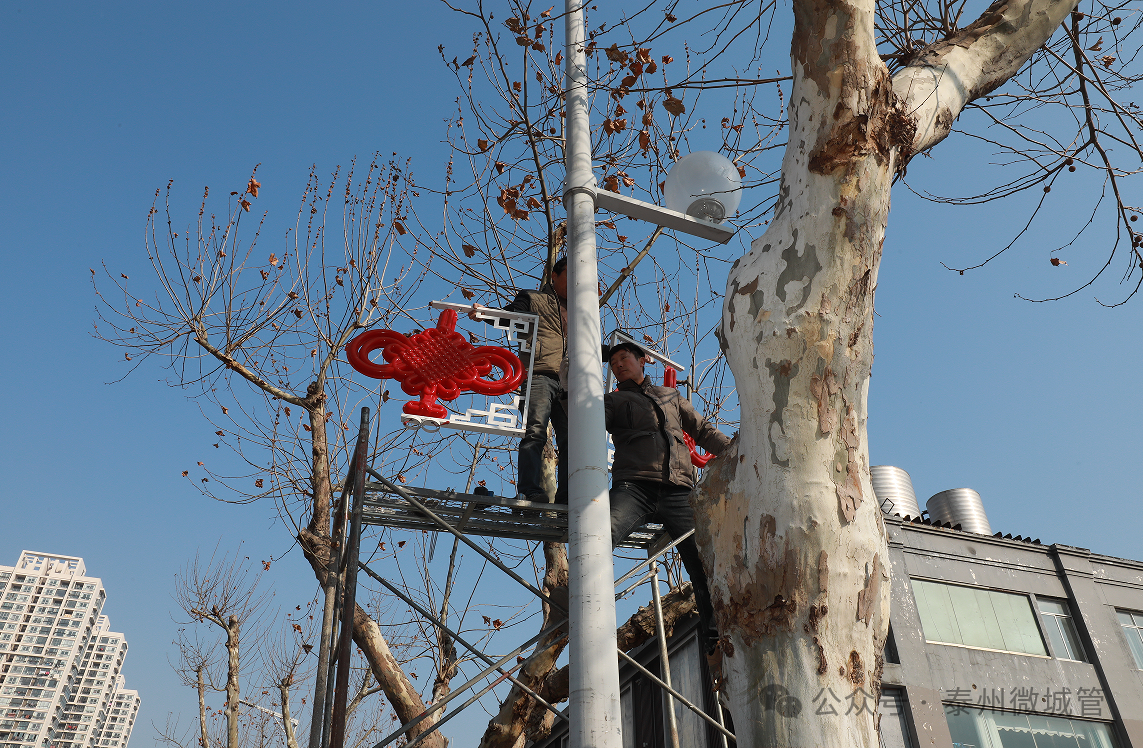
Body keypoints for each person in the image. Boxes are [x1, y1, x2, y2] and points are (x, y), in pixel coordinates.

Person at [605, 340, 732, 657]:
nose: (618, 364)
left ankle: (715, 640)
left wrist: (735, 451)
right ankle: (584, 605)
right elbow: (584, 424)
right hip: (634, 487)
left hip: (678, 490)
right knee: (599, 536)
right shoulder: (612, 401)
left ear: (642, 360)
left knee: (703, 562)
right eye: (613, 362)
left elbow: (702, 430)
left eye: (624, 358)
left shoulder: (670, 396)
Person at [470, 257, 569, 505]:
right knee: (535, 432)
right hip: (539, 375)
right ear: (554, 276)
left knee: (573, 440)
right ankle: (530, 490)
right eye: (570, 274)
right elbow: (512, 316)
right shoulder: (533, 298)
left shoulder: (583, 311)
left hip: (571, 382)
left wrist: (621, 352)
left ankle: (569, 495)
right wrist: (486, 314)